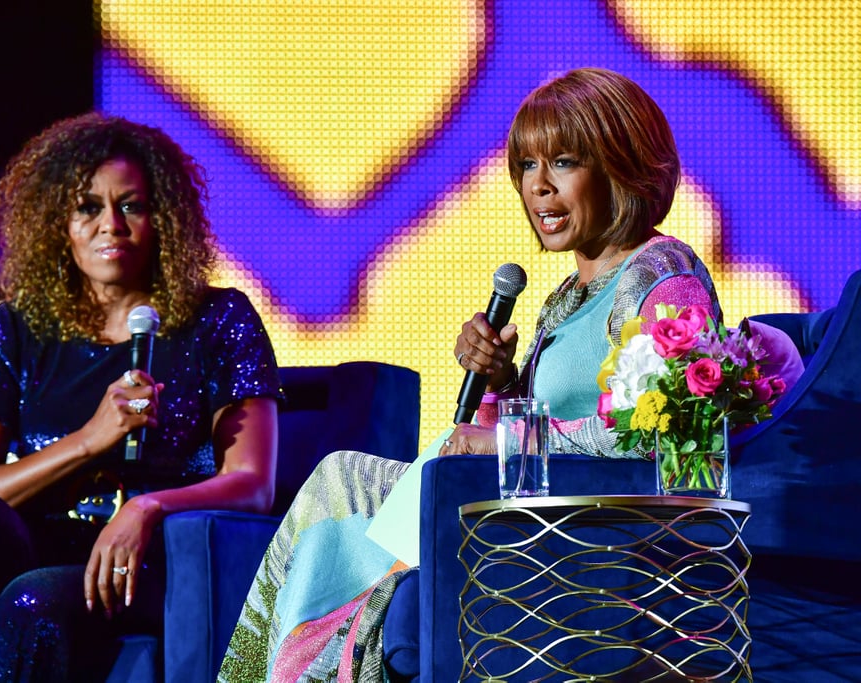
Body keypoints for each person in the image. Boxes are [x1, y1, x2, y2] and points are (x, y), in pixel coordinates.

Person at [218, 67, 802, 682]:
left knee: (347, 488)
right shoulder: (566, 297)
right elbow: (522, 433)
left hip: (597, 532)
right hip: (530, 510)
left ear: (622, 166)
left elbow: (662, 443)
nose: (539, 188)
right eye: (527, 167)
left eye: (565, 163)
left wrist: (499, 440)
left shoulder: (660, 276)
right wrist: (498, 383)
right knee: (341, 479)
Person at [0, 112, 282, 681]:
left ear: (164, 220)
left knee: (30, 602)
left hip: (146, 556)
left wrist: (145, 507)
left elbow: (254, 483)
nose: (112, 225)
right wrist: (88, 441)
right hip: (30, 543)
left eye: (131, 205)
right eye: (88, 207)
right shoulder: (15, 329)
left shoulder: (219, 319)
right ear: (59, 222)